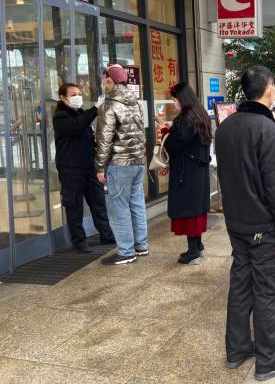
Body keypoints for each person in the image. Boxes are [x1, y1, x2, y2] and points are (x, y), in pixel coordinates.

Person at [215, 66, 275, 381]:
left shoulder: (225, 127)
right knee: (266, 291)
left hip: (237, 224)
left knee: (240, 286)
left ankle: (237, 349)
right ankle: (269, 359)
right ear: (269, 89)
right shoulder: (270, 132)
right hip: (264, 229)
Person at [96, 64, 148, 265]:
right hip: (137, 161)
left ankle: (126, 252)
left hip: (119, 163)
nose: (102, 83)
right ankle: (140, 246)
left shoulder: (108, 105)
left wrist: (100, 167)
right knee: (136, 204)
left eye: (103, 79)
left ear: (109, 80)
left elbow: (104, 140)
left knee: (118, 208)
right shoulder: (133, 101)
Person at [53, 83, 114, 253]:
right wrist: (94, 108)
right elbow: (77, 126)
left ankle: (106, 234)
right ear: (62, 97)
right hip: (71, 169)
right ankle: (79, 241)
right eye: (73, 94)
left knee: (98, 201)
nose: (77, 97)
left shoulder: (81, 113)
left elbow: (85, 128)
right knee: (74, 206)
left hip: (89, 166)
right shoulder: (60, 117)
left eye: (79, 93)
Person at [160, 83, 211, 265]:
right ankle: (197, 245)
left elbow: (174, 144)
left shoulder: (186, 119)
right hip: (197, 171)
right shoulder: (200, 114)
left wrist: (166, 132)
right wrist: (173, 125)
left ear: (182, 99)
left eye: (175, 100)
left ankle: (193, 250)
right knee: (196, 210)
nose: (174, 104)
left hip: (186, 172)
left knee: (189, 210)